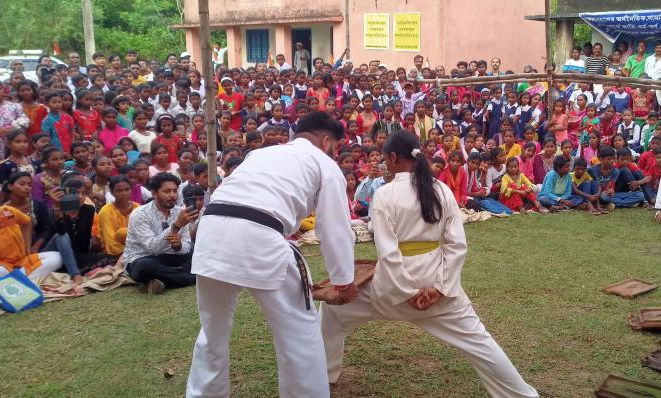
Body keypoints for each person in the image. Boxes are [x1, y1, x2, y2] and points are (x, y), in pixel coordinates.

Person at [320, 131, 540, 398]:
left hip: (392, 292)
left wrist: (407, 292)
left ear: (392, 157)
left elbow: (389, 255)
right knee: (480, 343)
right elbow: (456, 245)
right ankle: (522, 395)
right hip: (438, 290)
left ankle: (324, 375)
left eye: (385, 159)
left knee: (333, 310)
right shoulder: (442, 189)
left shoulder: (385, 195)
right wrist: (440, 287)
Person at [185, 112, 358, 398]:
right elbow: (335, 229)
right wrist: (343, 280)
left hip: (211, 229)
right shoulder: (324, 164)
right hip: (259, 234)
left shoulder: (260, 155)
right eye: (334, 147)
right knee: (300, 332)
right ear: (326, 141)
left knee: (212, 332)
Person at [121, 172, 197, 294]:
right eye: (167, 191)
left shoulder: (180, 212)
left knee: (195, 251)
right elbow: (152, 248)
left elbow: (187, 245)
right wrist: (176, 226)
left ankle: (161, 280)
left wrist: (179, 246)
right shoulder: (140, 214)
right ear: (154, 193)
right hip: (142, 257)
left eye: (174, 191)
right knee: (144, 267)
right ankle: (193, 278)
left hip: (170, 256)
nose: (172, 195)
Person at [0, 187, 63, 280]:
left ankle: (19, 280)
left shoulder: (6, 211)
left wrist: (27, 248)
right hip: (0, 266)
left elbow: (27, 222)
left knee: (57, 257)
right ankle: (28, 278)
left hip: (23, 261)